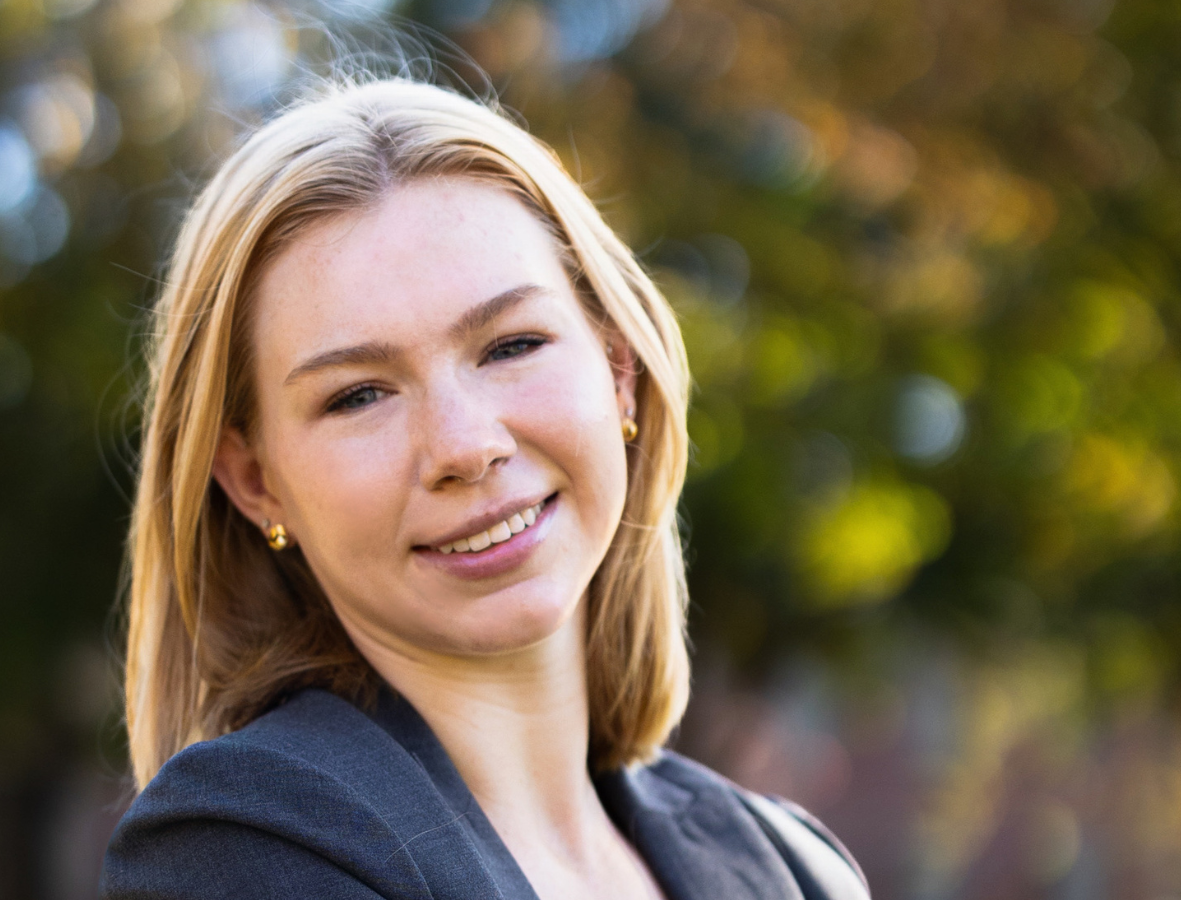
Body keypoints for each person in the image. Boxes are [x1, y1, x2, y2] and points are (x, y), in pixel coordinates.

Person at [100, 72, 869, 900]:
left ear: (618, 371)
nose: (464, 447)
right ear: (257, 484)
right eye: (358, 394)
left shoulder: (799, 868)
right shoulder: (234, 854)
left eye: (511, 345)